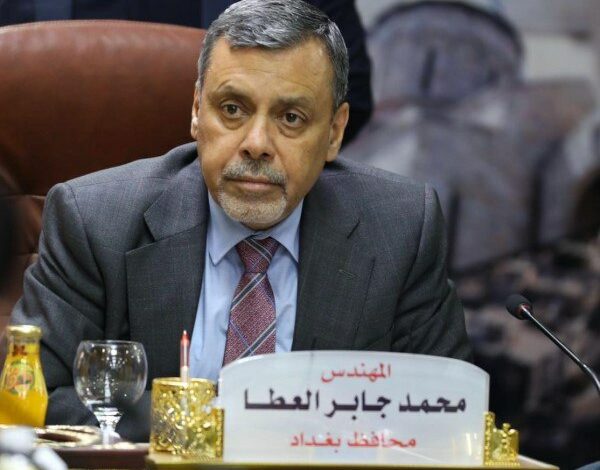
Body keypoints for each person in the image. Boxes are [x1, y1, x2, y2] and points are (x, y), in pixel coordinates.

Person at [10, 0, 471, 442]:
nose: (256, 143)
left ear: (334, 132)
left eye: (291, 118)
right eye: (232, 109)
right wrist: (215, 428)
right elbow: (35, 403)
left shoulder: (401, 229)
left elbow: (447, 416)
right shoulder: (94, 221)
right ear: (197, 111)